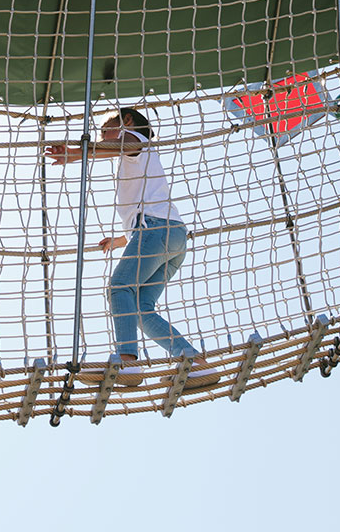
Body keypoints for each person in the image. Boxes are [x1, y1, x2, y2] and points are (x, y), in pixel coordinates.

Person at [45, 108, 218, 387]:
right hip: (171, 237)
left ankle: (128, 363)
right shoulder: (138, 158)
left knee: (119, 287)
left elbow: (125, 144)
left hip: (156, 230)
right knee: (140, 308)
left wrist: (77, 153)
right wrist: (122, 240)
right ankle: (195, 362)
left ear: (126, 122)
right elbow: (148, 212)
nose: (103, 137)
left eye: (105, 130)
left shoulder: (135, 139)